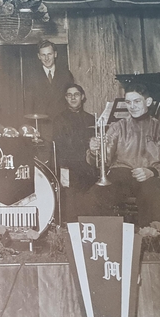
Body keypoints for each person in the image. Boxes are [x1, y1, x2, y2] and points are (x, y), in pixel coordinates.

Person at [83, 83, 160, 227]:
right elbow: (103, 162)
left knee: (152, 195)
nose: (132, 106)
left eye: (137, 101)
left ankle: (151, 240)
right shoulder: (117, 127)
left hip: (151, 178)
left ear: (148, 102)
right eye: (128, 102)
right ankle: (104, 239)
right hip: (121, 175)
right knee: (96, 195)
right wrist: (94, 151)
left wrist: (152, 171)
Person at [52, 84, 97, 222]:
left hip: (88, 168)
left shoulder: (91, 119)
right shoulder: (59, 119)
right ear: (66, 98)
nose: (73, 98)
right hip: (68, 167)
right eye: (69, 95)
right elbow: (61, 147)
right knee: (71, 205)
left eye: (76, 94)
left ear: (82, 97)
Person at [24, 40, 74, 153]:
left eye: (49, 54)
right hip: (41, 126)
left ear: (55, 54)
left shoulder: (66, 74)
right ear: (39, 56)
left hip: (62, 126)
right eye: (43, 55)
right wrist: (30, 127)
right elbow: (28, 103)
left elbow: (71, 100)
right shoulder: (32, 76)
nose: (47, 58)